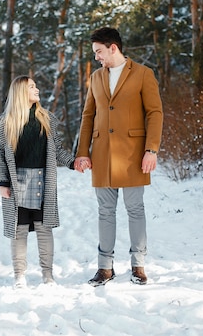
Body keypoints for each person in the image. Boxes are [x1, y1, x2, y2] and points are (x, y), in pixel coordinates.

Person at [75, 27, 163, 286]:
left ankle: (138, 265)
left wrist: (152, 149)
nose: (97, 57)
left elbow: (154, 113)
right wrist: (82, 152)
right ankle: (105, 268)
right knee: (105, 211)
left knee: (135, 209)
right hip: (102, 154)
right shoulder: (96, 78)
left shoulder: (144, 74)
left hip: (134, 154)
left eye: (99, 52)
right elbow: (88, 116)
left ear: (113, 47)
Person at [0, 75, 77, 288]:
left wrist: (73, 163)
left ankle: (47, 276)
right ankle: (19, 275)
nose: (37, 89)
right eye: (32, 86)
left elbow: (57, 150)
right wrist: (3, 183)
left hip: (43, 180)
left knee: (44, 227)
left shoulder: (46, 118)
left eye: (36, 85)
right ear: (21, 92)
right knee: (18, 229)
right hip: (16, 181)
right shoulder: (5, 123)